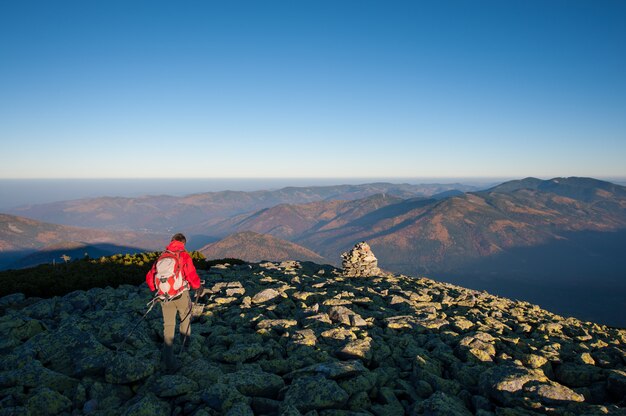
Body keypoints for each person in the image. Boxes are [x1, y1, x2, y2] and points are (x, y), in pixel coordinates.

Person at [145, 233, 201, 372]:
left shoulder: (163, 256)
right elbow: (191, 274)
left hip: (165, 296)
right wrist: (197, 287)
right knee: (185, 318)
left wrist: (155, 289)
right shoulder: (183, 255)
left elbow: (150, 276)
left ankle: (168, 359)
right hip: (181, 294)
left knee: (168, 325)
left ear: (172, 241)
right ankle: (185, 346)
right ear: (183, 243)